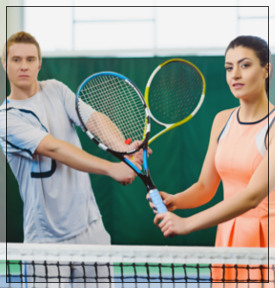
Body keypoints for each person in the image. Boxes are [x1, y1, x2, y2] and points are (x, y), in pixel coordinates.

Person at [0, 31, 151, 288]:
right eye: (15, 60)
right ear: (4, 64)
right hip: (43, 240)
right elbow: (55, 148)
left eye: (29, 59)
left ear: (39, 63)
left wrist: (124, 153)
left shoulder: (56, 90)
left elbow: (93, 120)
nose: (23, 66)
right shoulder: (6, 118)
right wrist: (112, 169)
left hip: (90, 229)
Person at [147, 35, 275, 287]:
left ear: (266, 70)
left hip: (267, 244)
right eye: (229, 68)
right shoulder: (221, 120)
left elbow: (252, 197)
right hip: (227, 240)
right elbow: (206, 187)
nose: (235, 75)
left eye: (245, 65)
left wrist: (187, 224)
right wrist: (176, 200)